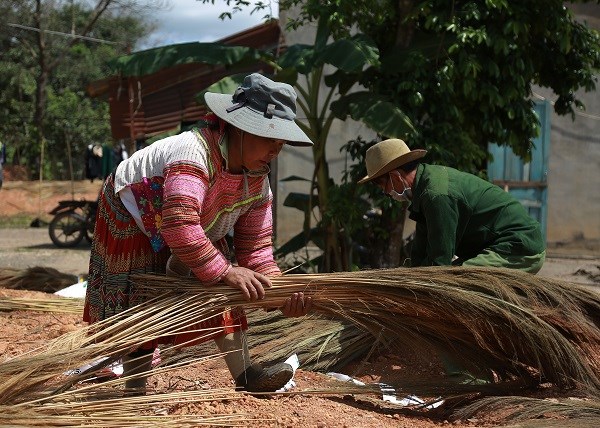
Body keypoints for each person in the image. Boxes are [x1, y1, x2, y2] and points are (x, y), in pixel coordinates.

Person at [83, 73, 312, 394]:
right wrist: (226, 270)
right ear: (240, 128)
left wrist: (278, 294)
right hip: (133, 209)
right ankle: (134, 385)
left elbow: (257, 253)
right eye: (269, 136)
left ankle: (247, 375)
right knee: (143, 292)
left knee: (220, 281)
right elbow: (178, 224)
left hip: (193, 222)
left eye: (281, 141)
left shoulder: (258, 179)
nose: (277, 148)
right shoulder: (194, 152)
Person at [358, 138, 546, 274]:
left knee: (456, 280)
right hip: (501, 245)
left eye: (383, 185)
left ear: (395, 176)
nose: (386, 192)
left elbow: (440, 263)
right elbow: (421, 255)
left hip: (519, 247)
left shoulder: (436, 195)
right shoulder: (424, 191)